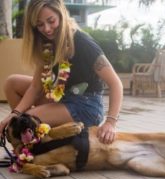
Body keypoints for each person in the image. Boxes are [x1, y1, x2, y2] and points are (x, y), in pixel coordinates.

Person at [0, 0, 123, 144]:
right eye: (40, 24)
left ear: (61, 15)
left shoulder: (83, 43)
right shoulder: (46, 42)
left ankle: (33, 141)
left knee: (27, 119)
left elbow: (115, 83)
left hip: (86, 106)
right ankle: (30, 137)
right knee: (12, 84)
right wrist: (14, 115)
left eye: (51, 21)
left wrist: (110, 123)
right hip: (63, 97)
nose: (46, 29)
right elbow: (35, 87)